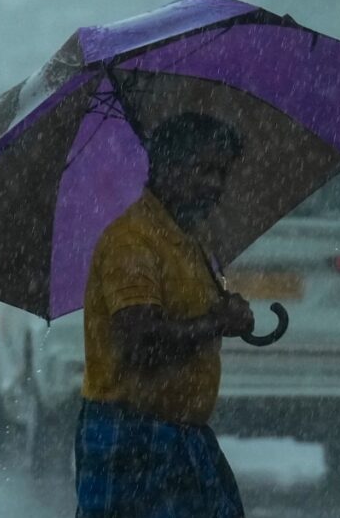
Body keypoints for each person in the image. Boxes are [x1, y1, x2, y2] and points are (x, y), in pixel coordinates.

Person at [75, 112, 255, 518]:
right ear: (167, 167)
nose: (216, 185)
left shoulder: (188, 237)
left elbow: (190, 314)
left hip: (184, 434)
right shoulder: (132, 242)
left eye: (222, 173)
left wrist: (226, 311)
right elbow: (139, 341)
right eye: (204, 170)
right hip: (132, 435)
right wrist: (216, 323)